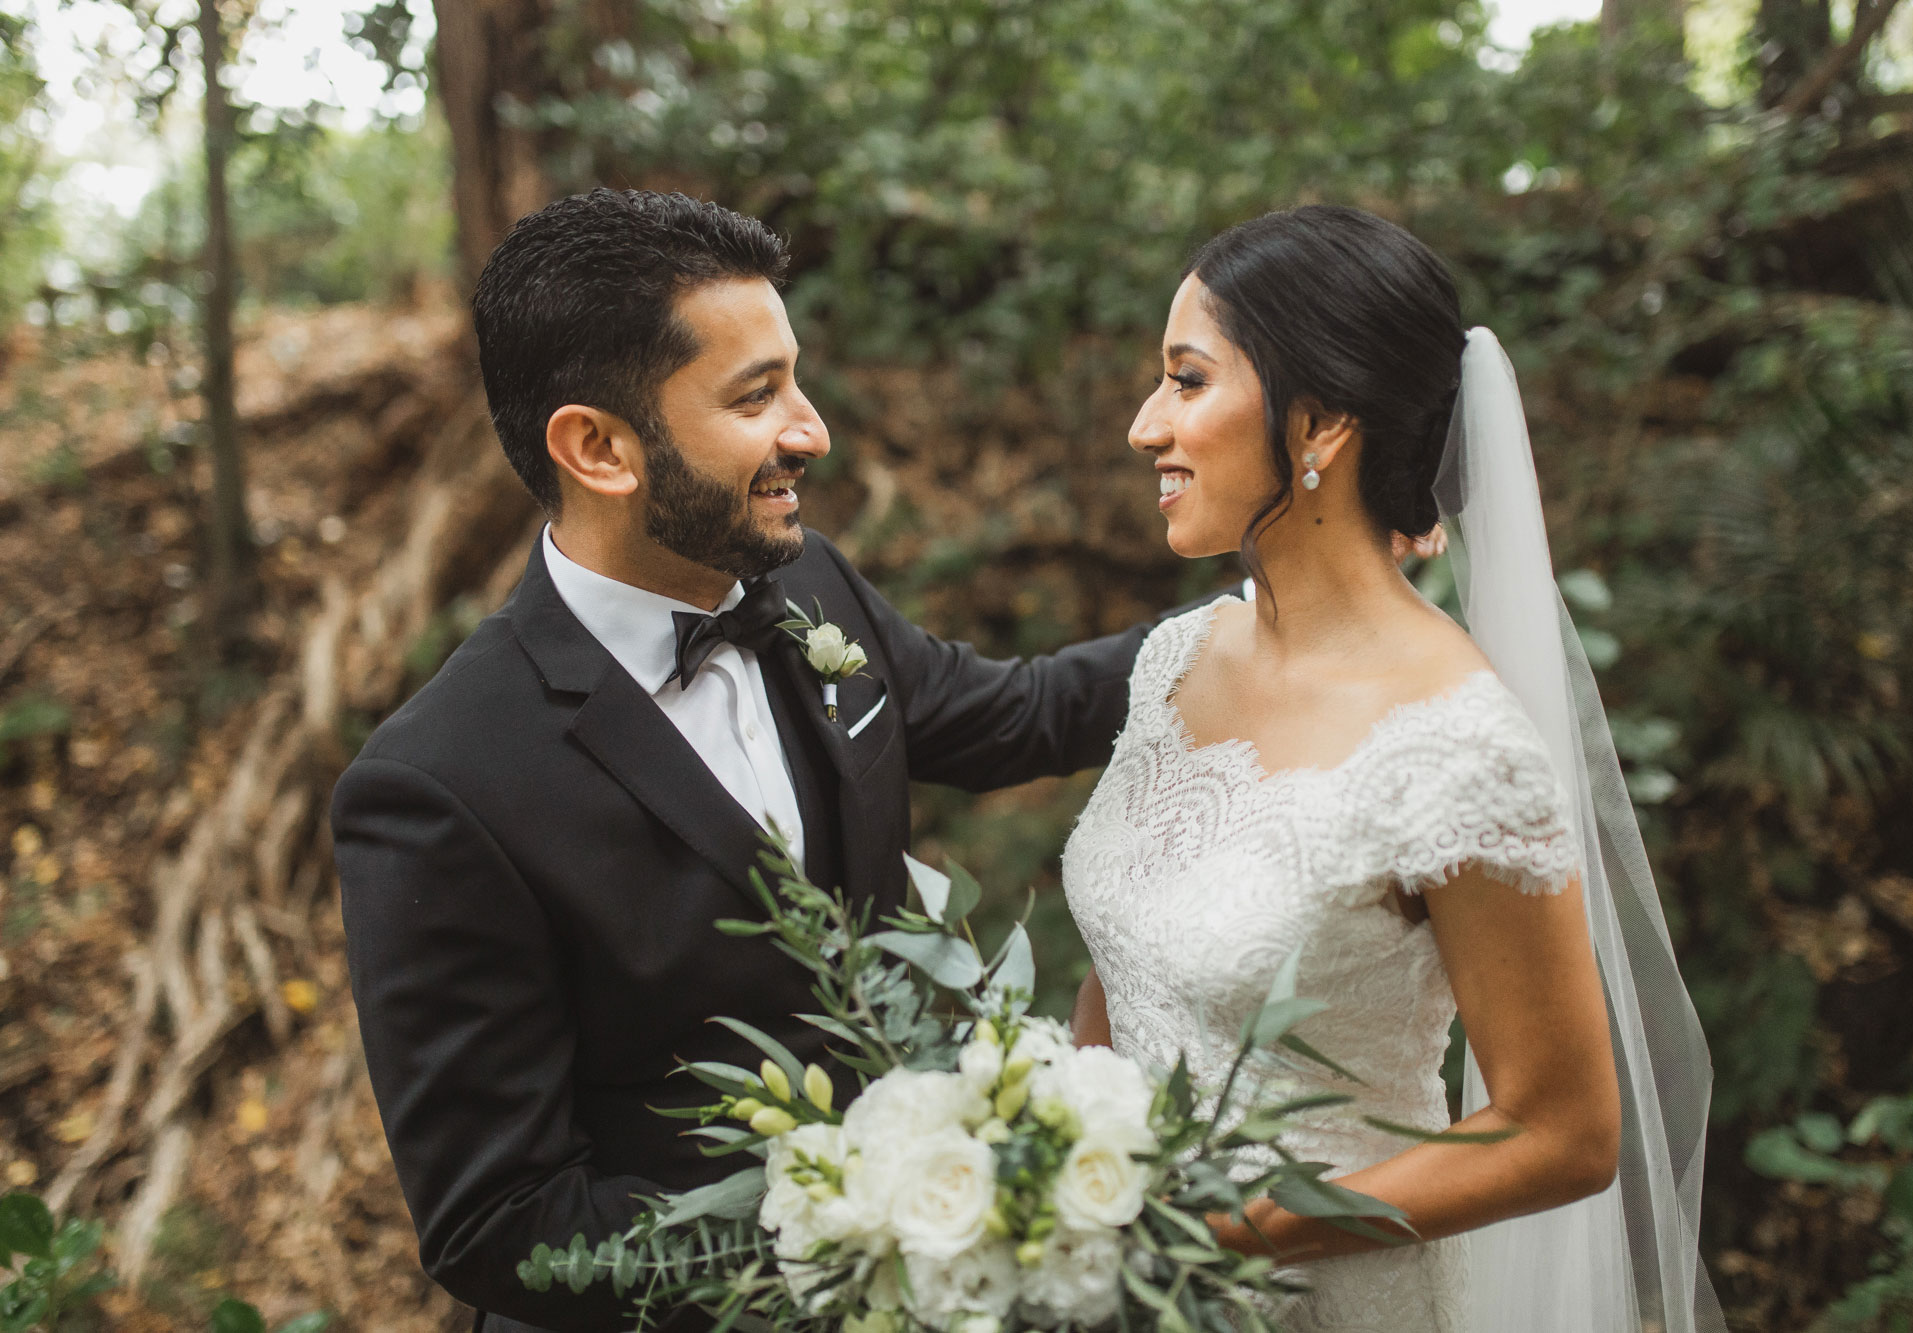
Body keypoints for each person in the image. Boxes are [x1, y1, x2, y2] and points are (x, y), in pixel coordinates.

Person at [331, 189, 1201, 1333]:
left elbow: (1012, 714)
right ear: (597, 447)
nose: (811, 430)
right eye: (757, 396)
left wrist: (1263, 619)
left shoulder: (806, 586)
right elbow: (502, 1223)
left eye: (792, 377)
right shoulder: (439, 787)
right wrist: (871, 1224)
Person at [1063, 205, 1724, 1332]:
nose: (1142, 426)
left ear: (1317, 422)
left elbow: (1561, 1133)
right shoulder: (1178, 658)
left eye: (1184, 380)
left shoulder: (1451, 743)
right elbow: (1126, 976)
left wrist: (1217, 1229)